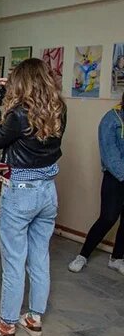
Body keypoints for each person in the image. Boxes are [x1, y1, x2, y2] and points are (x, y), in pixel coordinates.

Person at [0, 58, 66, 336]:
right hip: (48, 191)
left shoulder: (18, 114)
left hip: (21, 192)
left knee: (14, 261)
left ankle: (6, 325)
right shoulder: (59, 109)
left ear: (21, 82)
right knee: (40, 256)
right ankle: (34, 318)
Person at [67, 92, 124, 275]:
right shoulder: (111, 119)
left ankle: (117, 258)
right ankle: (83, 255)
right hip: (115, 178)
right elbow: (110, 156)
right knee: (108, 218)